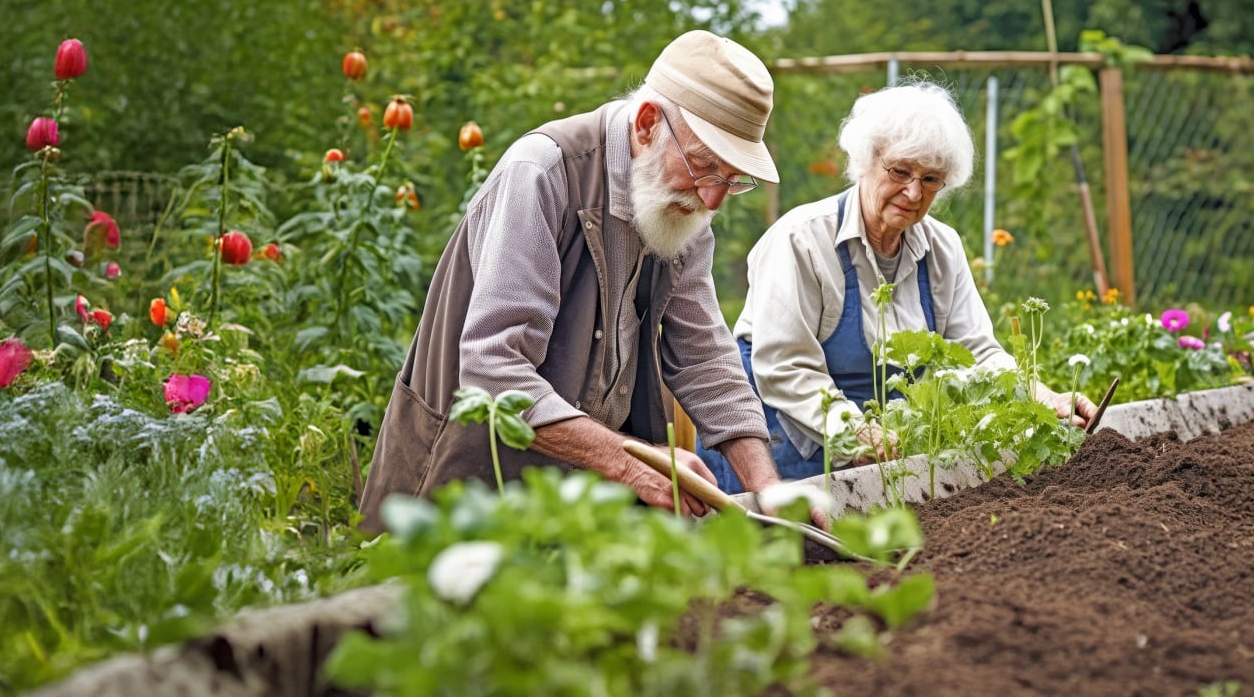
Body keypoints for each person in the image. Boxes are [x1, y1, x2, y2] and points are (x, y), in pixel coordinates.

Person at [358, 30, 796, 531]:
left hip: (573, 502)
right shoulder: (544, 172)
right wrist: (631, 463)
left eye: (732, 178)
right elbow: (493, 365)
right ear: (649, 123)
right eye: (704, 164)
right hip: (466, 491)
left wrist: (769, 488)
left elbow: (703, 355)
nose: (714, 199)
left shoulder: (683, 204)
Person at [697, 82, 1098, 492]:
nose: (913, 192)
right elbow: (785, 366)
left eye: (930, 179)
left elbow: (977, 353)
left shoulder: (942, 247)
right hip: (780, 442)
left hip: (881, 451)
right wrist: (857, 432)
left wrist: (1041, 397)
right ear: (864, 162)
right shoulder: (803, 240)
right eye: (900, 171)